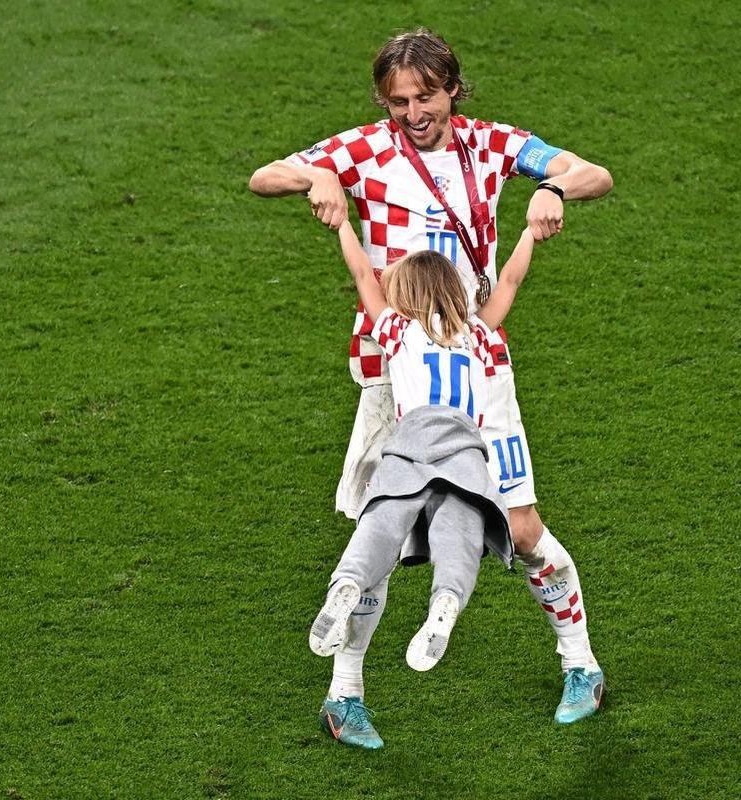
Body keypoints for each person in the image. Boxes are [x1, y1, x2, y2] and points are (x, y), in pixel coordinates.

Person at [249, 27, 613, 747]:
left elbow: (591, 172)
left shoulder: (492, 145)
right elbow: (265, 175)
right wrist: (316, 177)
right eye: (398, 101)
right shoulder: (362, 148)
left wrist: (551, 188)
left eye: (426, 97)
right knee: (379, 532)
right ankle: (343, 695)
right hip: (396, 372)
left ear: (453, 89)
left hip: (478, 370)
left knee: (522, 527)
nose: (413, 113)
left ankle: (582, 667)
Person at [307, 222, 535, 748]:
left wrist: (343, 223)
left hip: (410, 437)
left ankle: (346, 585)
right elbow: (510, 284)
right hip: (463, 447)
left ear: (405, 296)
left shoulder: (397, 330)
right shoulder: (478, 332)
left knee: (382, 521)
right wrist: (528, 235)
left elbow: (362, 271)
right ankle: (445, 604)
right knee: (459, 533)